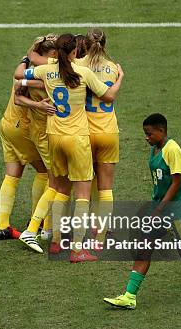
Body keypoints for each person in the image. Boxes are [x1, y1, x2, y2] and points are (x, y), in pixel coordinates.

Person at [15, 34, 124, 262]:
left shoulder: (48, 70)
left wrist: (26, 84)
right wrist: (120, 77)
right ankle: (77, 250)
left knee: (60, 188)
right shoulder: (83, 73)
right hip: (77, 138)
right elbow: (109, 95)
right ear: (76, 51)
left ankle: (55, 242)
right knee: (83, 194)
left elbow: (20, 76)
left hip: (54, 136)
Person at [104, 113, 181, 311]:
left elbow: (177, 183)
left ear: (161, 131)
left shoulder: (172, 149)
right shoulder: (156, 149)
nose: (147, 138)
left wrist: (160, 209)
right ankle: (129, 296)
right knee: (144, 248)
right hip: (161, 209)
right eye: (145, 134)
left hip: (177, 210)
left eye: (149, 134)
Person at [0, 55, 53, 240]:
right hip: (22, 128)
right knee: (45, 172)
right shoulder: (37, 79)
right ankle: (35, 222)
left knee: (12, 175)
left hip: (7, 124)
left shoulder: (23, 71)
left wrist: (25, 58)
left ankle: (2, 226)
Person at [11, 34, 58, 241]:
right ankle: (41, 228)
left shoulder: (36, 72)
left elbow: (18, 80)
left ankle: (42, 225)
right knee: (56, 180)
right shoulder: (56, 70)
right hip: (46, 132)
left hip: (45, 131)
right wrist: (38, 104)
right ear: (53, 55)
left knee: (51, 177)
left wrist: (28, 55)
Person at [75, 28, 119, 242]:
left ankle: (81, 231)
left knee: (84, 183)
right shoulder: (113, 68)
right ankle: (101, 236)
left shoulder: (79, 66)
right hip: (109, 132)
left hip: (85, 132)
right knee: (106, 187)